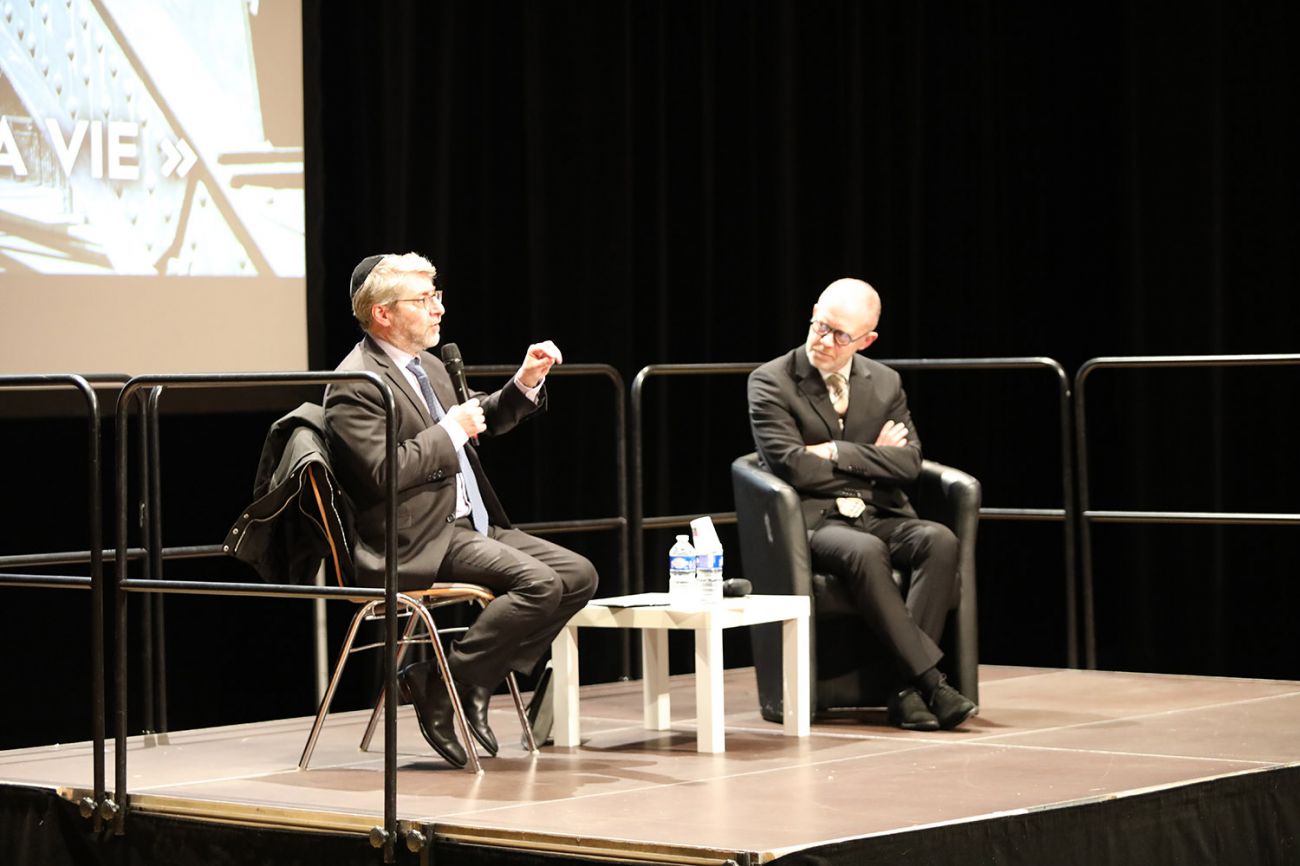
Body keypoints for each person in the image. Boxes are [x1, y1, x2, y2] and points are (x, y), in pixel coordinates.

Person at [324, 252, 599, 767]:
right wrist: (451, 430)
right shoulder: (356, 383)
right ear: (382, 313)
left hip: (470, 525)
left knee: (578, 575)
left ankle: (461, 682)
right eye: (423, 300)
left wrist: (524, 384)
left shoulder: (427, 366)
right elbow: (384, 473)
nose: (438, 310)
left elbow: (477, 419)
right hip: (415, 538)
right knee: (539, 584)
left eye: (437, 297)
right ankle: (449, 682)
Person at [747, 278, 977, 731]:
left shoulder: (885, 381)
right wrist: (874, 456)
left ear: (866, 340)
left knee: (938, 540)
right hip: (818, 521)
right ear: (813, 312)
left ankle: (905, 691)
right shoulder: (771, 381)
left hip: (880, 513)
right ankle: (928, 683)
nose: (824, 341)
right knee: (864, 551)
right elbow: (793, 467)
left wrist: (835, 451)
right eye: (820, 326)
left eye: (839, 335)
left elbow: (909, 463)